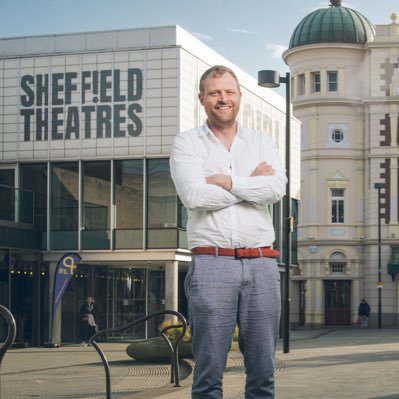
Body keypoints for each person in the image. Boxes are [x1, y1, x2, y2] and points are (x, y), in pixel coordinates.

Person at [170, 65, 287, 399]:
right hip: (212, 264)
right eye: (215, 92)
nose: (223, 99)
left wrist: (228, 180)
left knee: (263, 371)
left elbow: (276, 189)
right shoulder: (187, 143)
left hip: (263, 263)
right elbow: (193, 195)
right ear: (202, 98)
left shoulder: (262, 141)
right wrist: (252, 182)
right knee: (208, 372)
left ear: (240, 96)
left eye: (229, 91)